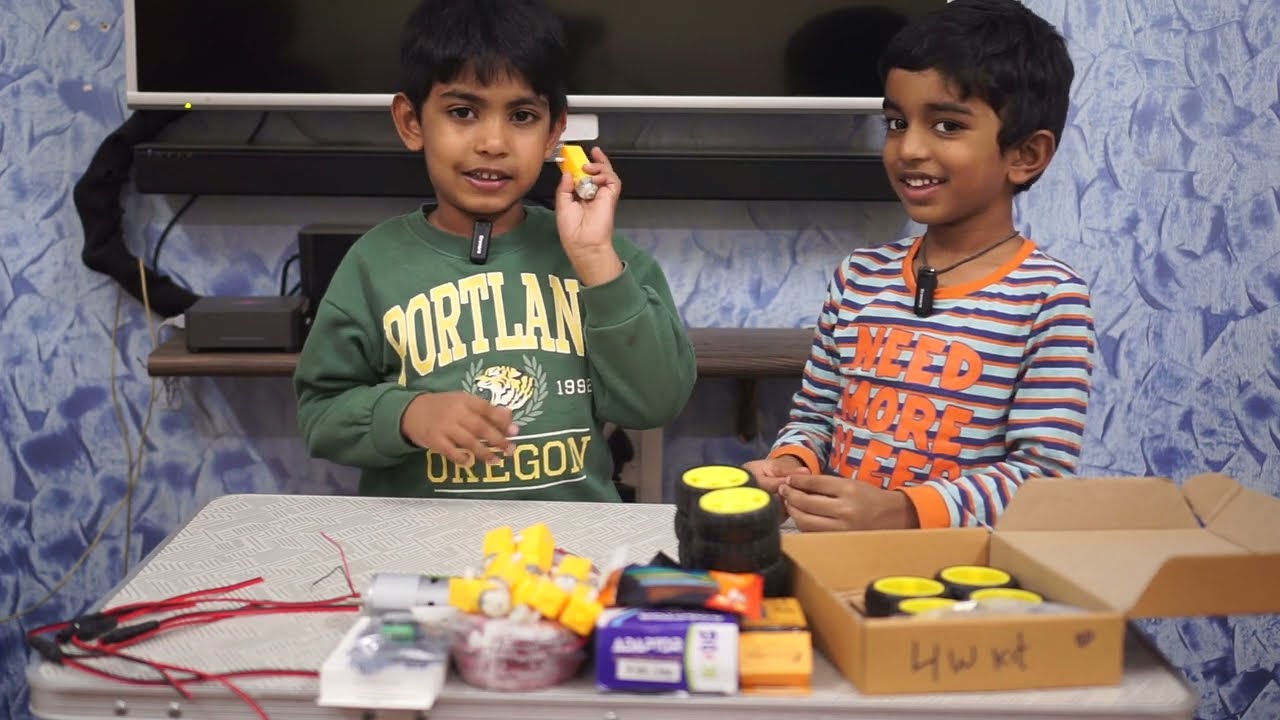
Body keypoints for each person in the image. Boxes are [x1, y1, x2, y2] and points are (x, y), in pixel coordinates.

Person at [293, 0, 696, 500]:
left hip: (566, 552)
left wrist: (595, 261)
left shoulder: (606, 259)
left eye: (522, 115)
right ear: (411, 122)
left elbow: (655, 403)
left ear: (554, 133)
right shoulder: (372, 264)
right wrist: (408, 414)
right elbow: (320, 414)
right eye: (463, 112)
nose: (493, 142)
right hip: (425, 552)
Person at [745, 0, 1096, 531]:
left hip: (956, 584)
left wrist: (905, 511)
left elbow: (1039, 478)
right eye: (895, 122)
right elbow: (816, 418)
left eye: (947, 126)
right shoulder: (858, 277)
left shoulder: (1050, 298)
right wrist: (787, 467)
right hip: (835, 558)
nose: (908, 148)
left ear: (1025, 155)